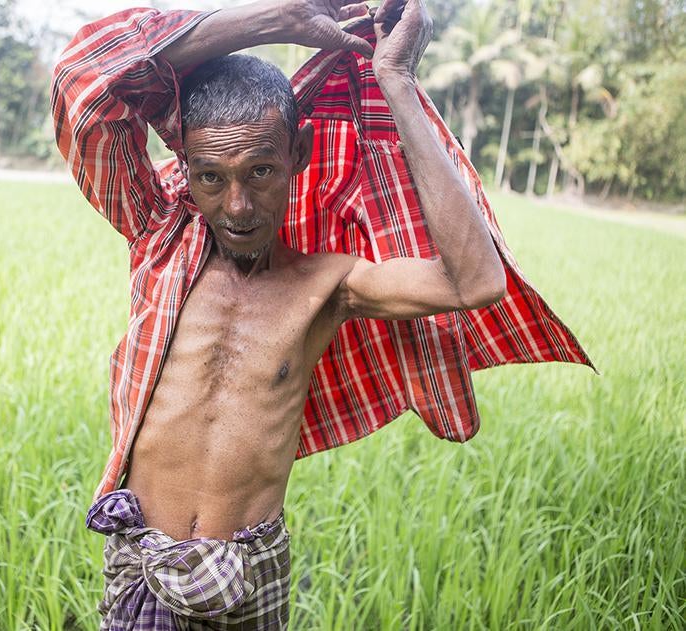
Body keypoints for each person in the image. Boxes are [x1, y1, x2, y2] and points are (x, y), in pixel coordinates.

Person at [51, 0, 591, 627]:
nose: (239, 205)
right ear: (188, 173)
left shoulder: (328, 285)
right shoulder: (158, 236)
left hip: (250, 573)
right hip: (144, 561)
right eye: (210, 178)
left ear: (300, 152)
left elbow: (475, 281)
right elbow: (86, 84)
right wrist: (276, 20)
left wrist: (399, 83)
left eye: (260, 171)